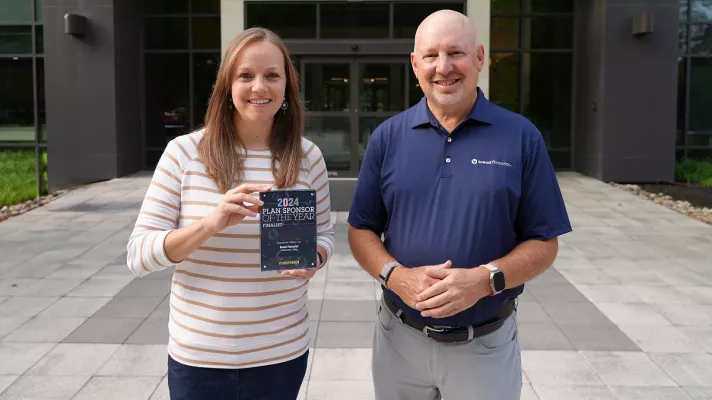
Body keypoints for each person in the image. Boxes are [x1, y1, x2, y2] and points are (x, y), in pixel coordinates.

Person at [348, 10, 571, 400]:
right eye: (431, 55)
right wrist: (397, 276)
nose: (444, 67)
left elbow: (544, 243)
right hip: (399, 341)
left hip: (484, 346)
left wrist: (486, 280)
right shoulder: (387, 137)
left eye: (456, 53)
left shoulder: (521, 137)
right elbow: (361, 228)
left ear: (480, 57)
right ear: (415, 64)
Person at [126, 27, 334, 400]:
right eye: (246, 75)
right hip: (200, 359)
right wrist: (210, 224)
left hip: (281, 355)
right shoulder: (184, 153)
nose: (260, 87)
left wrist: (314, 259)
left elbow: (325, 237)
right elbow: (139, 255)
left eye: (272, 75)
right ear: (227, 86)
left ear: (287, 87)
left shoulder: (308, 156)